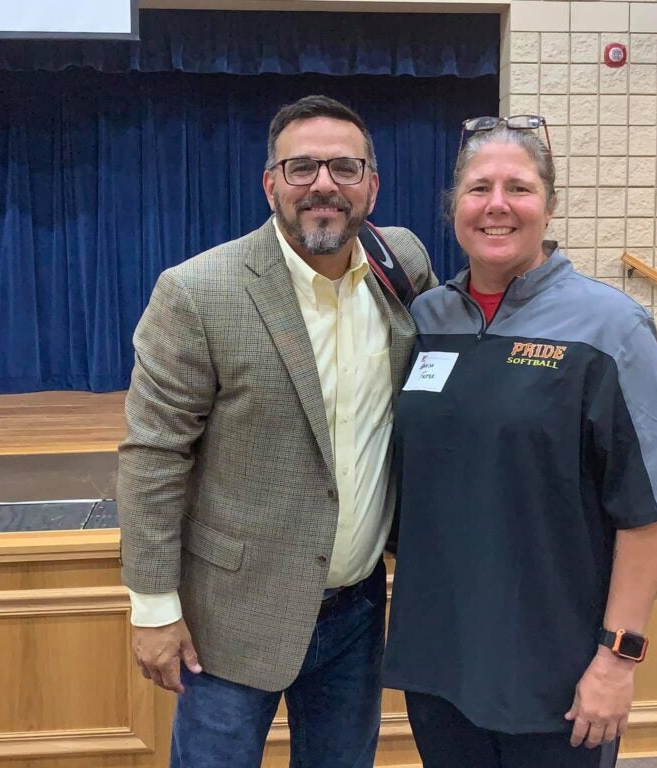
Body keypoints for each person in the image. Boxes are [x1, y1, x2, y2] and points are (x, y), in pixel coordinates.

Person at [381, 116, 657, 768]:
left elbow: (648, 509)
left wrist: (617, 660)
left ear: (549, 205)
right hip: (440, 663)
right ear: (453, 206)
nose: (498, 204)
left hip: (556, 672)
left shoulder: (610, 327)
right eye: (479, 188)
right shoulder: (425, 319)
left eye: (519, 187)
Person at [117, 94, 437, 768]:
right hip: (231, 616)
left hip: (356, 612)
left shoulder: (401, 266)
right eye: (301, 168)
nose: (324, 184)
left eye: (345, 168)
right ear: (270, 184)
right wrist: (152, 606)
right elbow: (154, 457)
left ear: (372, 186)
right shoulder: (198, 291)